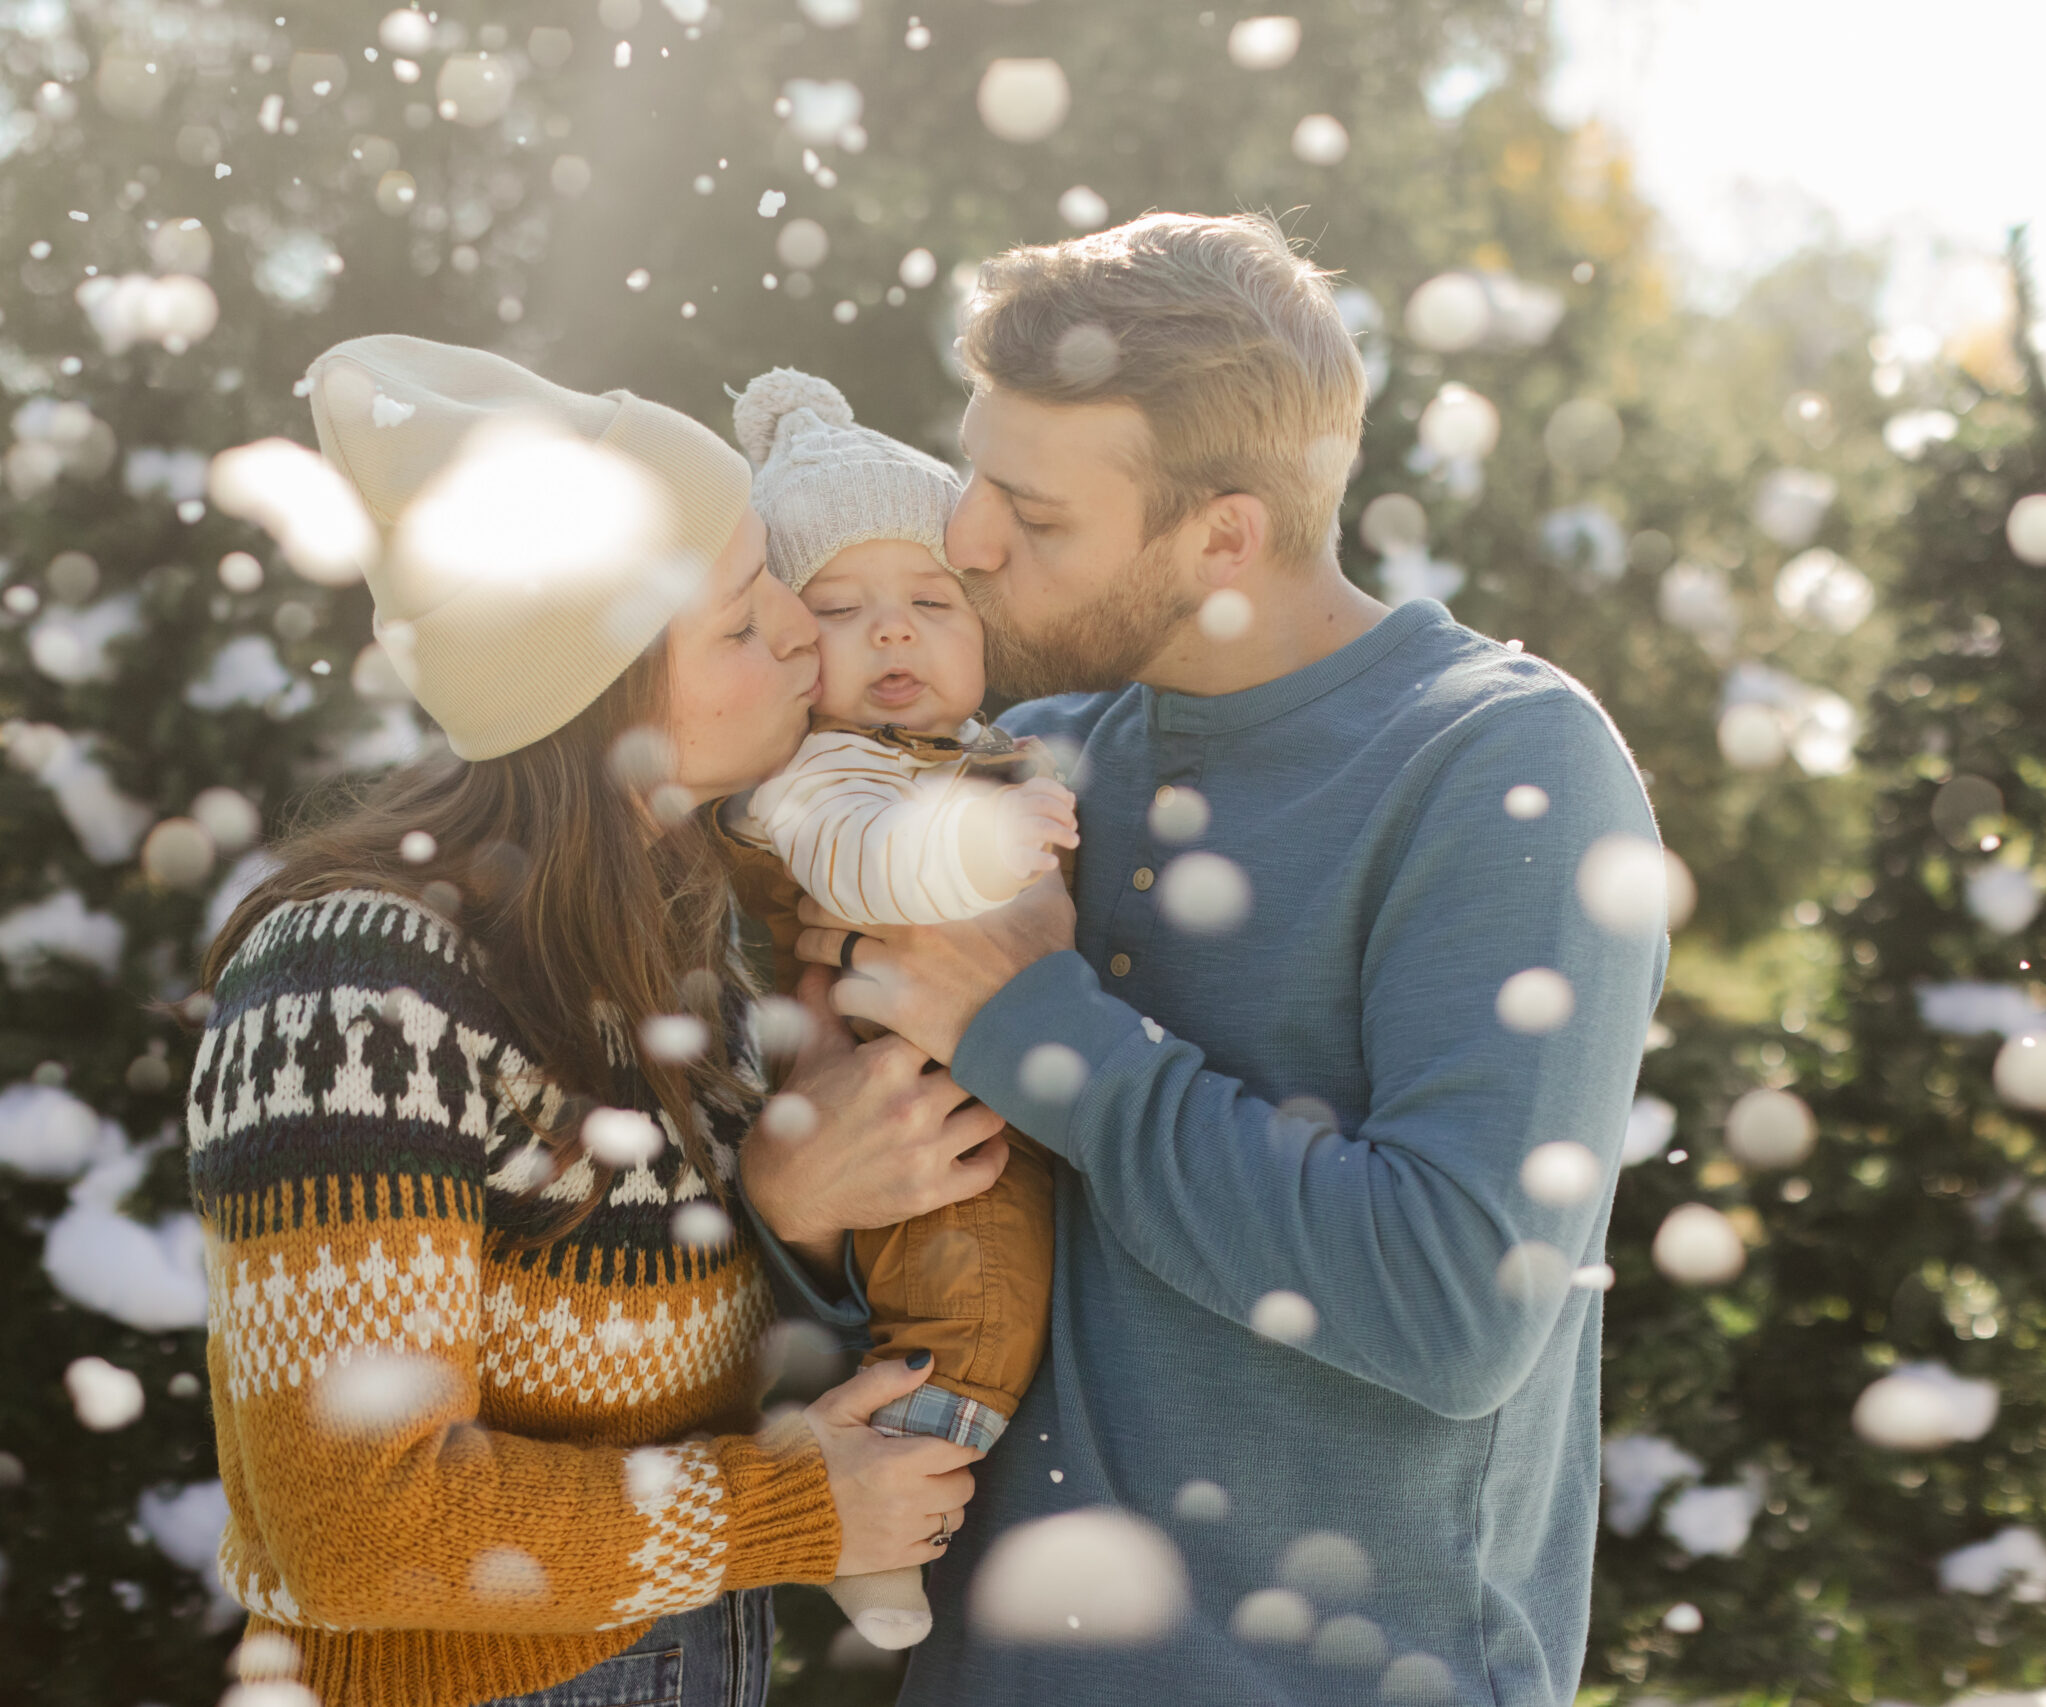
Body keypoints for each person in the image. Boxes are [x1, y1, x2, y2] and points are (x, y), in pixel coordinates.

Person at [763, 213, 1672, 1704]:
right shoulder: (1018, 766)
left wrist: (1039, 1026)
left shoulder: (1506, 767)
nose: (968, 539)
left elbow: (1454, 1305)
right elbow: (927, 1283)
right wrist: (794, 1211)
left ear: (1225, 536)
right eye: (974, 474)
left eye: (1036, 516)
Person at [187, 335, 1008, 1707]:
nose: (806, 632)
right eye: (744, 621)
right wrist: (786, 1511)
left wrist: (792, 1205)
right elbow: (360, 1528)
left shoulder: (674, 928)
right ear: (598, 695)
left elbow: (652, 1359)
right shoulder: (360, 985)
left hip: (680, 1653)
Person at [713, 368, 1071, 1649]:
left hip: (955, 1076)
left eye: (929, 602)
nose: (896, 635)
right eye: (843, 611)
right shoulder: (810, 773)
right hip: (906, 1101)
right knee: (976, 1294)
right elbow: (868, 862)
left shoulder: (981, 744)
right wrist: (983, 845)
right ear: (792, 648)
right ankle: (893, 1507)